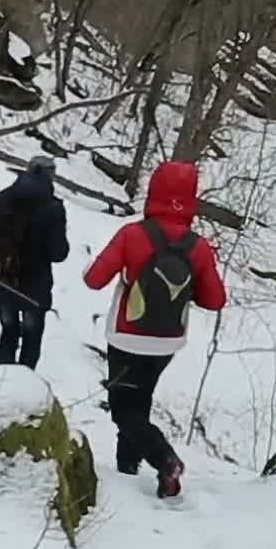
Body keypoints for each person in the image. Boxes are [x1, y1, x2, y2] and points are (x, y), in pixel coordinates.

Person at [83, 160, 227, 497]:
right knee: (139, 404)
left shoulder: (133, 233)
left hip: (127, 335)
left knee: (123, 411)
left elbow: (94, 280)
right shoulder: (200, 247)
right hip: (167, 342)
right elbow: (215, 300)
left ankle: (165, 460)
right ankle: (128, 472)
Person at [0, 155, 69, 369]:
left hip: (3, 278)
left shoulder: (0, 198)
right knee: (31, 337)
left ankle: (4, 379)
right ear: (50, 176)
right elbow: (58, 253)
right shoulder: (53, 208)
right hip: (35, 287)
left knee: (8, 331)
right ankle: (25, 385)